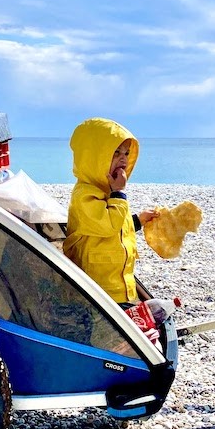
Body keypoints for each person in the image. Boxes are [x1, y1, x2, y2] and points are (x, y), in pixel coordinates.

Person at [63, 118, 158, 304]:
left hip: (118, 284)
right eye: (115, 153)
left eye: (126, 153)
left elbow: (118, 223)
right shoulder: (84, 195)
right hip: (98, 288)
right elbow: (108, 226)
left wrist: (138, 220)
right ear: (94, 157)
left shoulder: (109, 190)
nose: (123, 158)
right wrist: (119, 193)